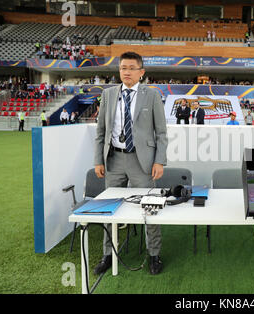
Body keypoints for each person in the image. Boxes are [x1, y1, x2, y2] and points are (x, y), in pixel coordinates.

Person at [94, 51, 168, 276]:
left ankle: (154, 254)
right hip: (114, 160)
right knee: (109, 209)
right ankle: (108, 254)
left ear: (141, 72)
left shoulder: (152, 96)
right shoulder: (108, 95)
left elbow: (161, 133)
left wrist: (159, 161)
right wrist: (98, 159)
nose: (126, 72)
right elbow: (101, 131)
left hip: (142, 162)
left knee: (149, 208)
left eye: (131, 68)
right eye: (123, 67)